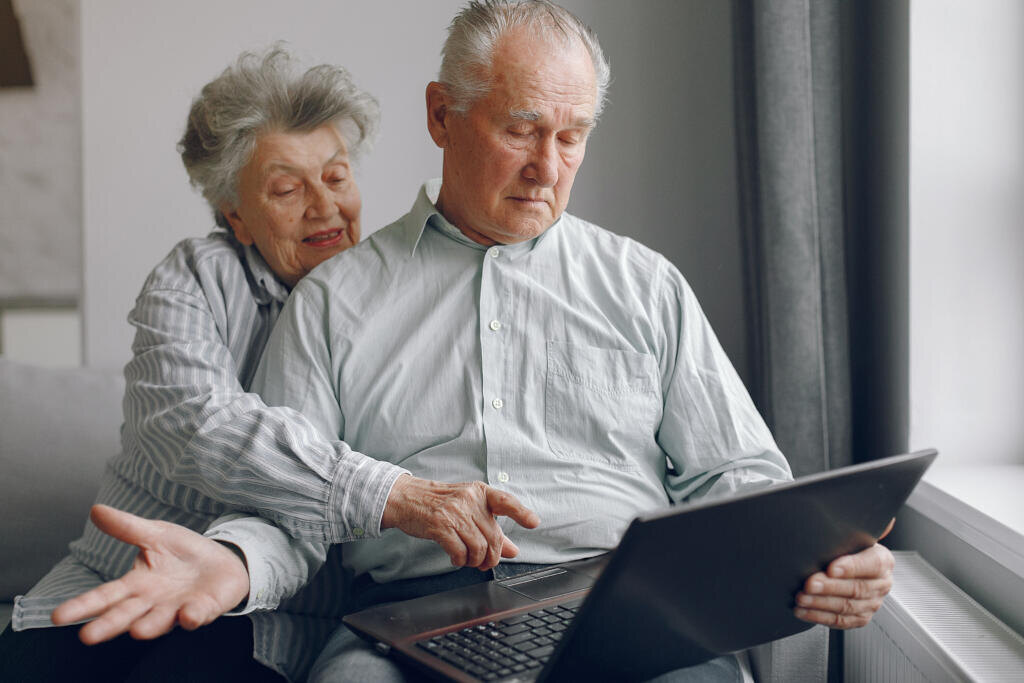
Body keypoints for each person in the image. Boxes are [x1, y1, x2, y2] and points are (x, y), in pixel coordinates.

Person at [44, 1, 896, 681]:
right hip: (403, 628)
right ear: (441, 115)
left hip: (627, 610)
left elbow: (738, 476)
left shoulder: (646, 286)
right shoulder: (334, 301)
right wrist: (234, 562)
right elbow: (289, 517)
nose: (548, 165)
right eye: (522, 128)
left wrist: (819, 554)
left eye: (572, 137)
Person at [0, 47, 408, 683]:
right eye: (286, 188)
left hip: (269, 618)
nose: (323, 206)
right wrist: (382, 493)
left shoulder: (395, 304)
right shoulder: (193, 277)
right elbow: (199, 425)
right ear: (236, 217)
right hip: (116, 578)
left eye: (335, 176)